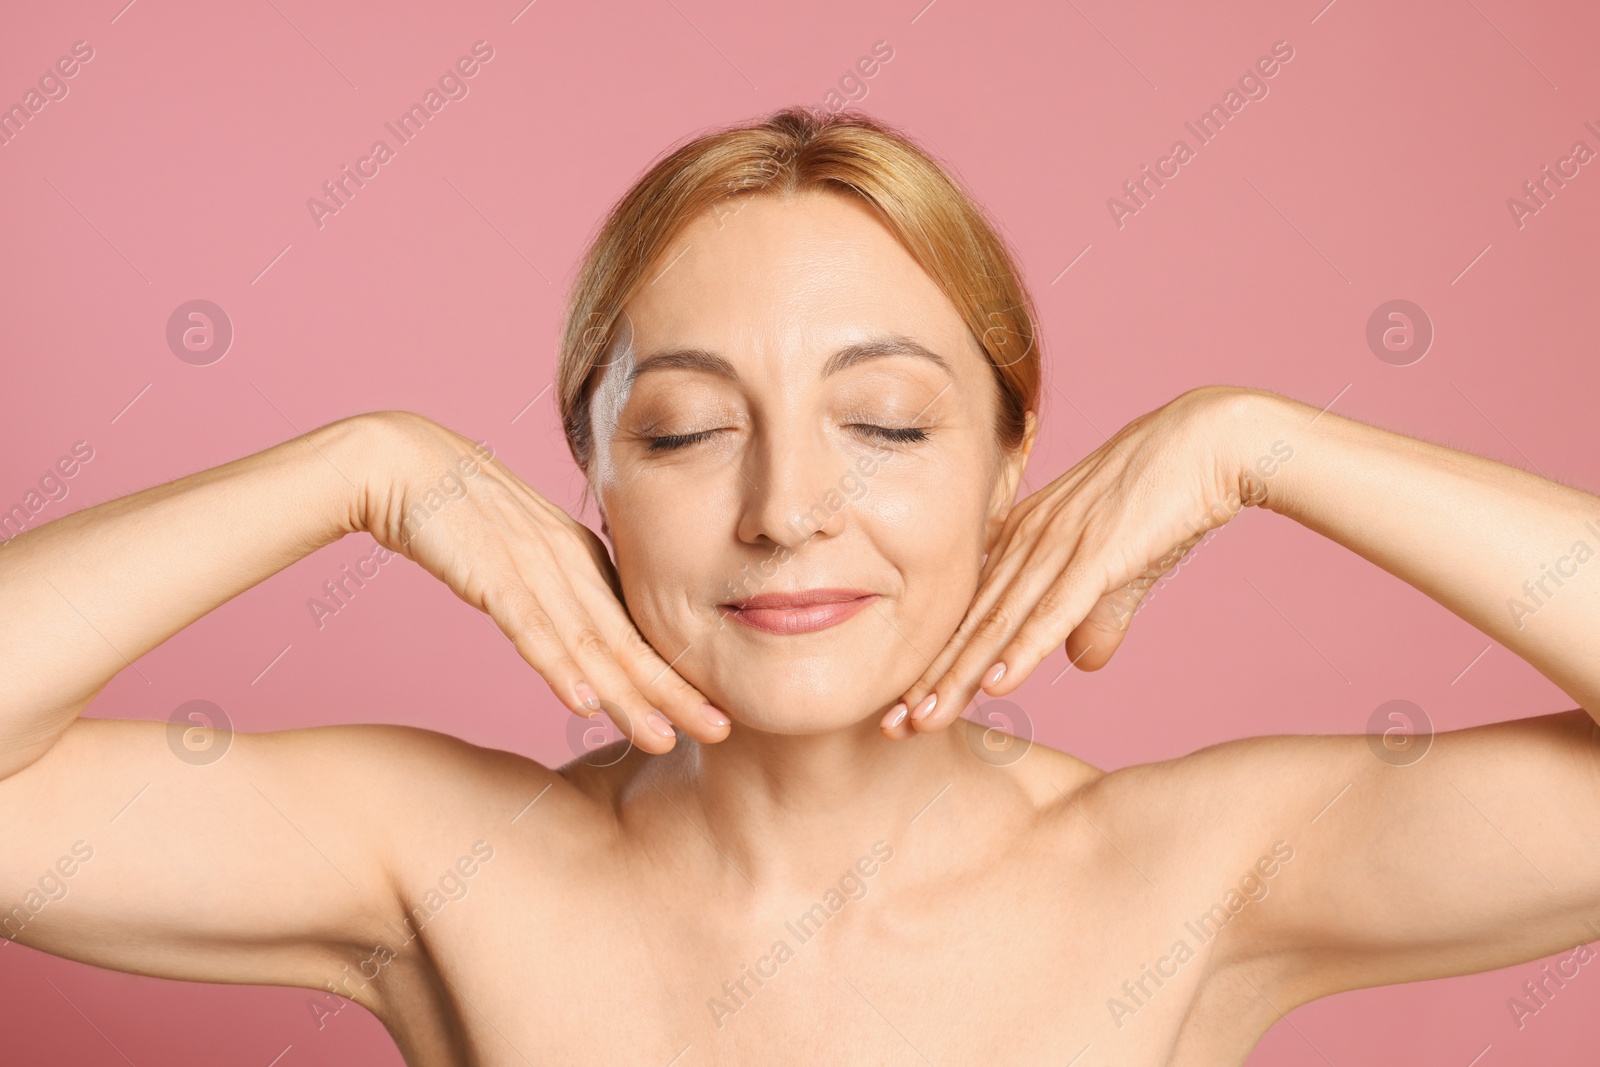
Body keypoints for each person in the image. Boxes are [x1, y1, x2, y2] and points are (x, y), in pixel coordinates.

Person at [2, 106, 1598, 1067]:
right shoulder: (443, 864)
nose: (785, 512)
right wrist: (351, 470)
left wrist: (1263, 444)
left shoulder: (1194, 872)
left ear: (1010, 458)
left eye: (887, 423)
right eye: (688, 430)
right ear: (590, 483)